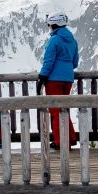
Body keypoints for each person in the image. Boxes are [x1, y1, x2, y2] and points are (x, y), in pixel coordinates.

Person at [39, 11, 80, 148]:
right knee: (63, 108)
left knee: (56, 110)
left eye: (49, 24)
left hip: (54, 79)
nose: (49, 27)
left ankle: (61, 141)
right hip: (68, 79)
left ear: (54, 24)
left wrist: (42, 77)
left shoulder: (54, 40)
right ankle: (71, 138)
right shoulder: (72, 41)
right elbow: (75, 62)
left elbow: (48, 61)